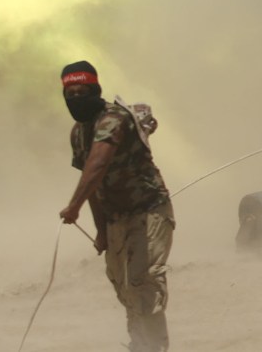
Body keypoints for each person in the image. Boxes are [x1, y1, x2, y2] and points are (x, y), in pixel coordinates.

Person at [58, 60, 175, 352]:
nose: (75, 98)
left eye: (81, 91)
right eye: (69, 93)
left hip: (148, 211)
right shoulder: (78, 133)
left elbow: (97, 165)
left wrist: (73, 207)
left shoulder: (113, 119)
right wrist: (101, 231)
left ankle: (153, 348)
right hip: (115, 219)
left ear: (95, 89)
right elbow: (94, 185)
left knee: (143, 283)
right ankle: (140, 344)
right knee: (125, 289)